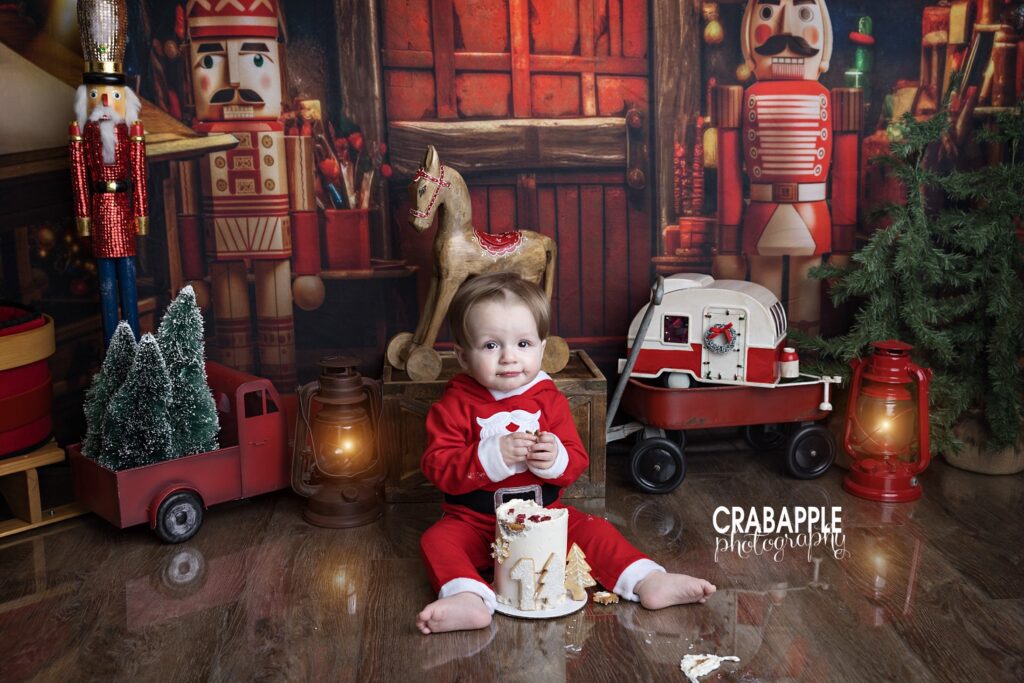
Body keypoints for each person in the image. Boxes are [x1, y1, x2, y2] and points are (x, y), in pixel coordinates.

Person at [416, 272, 716, 634]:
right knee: (437, 541)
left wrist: (554, 458)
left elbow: (575, 462)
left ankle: (646, 579)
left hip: (545, 521)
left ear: (542, 349)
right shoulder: (455, 404)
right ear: (463, 356)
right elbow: (437, 467)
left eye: (523, 344)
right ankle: (467, 597)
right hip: (475, 523)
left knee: (595, 530)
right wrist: (490, 456)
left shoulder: (549, 399)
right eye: (491, 345)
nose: (509, 357)